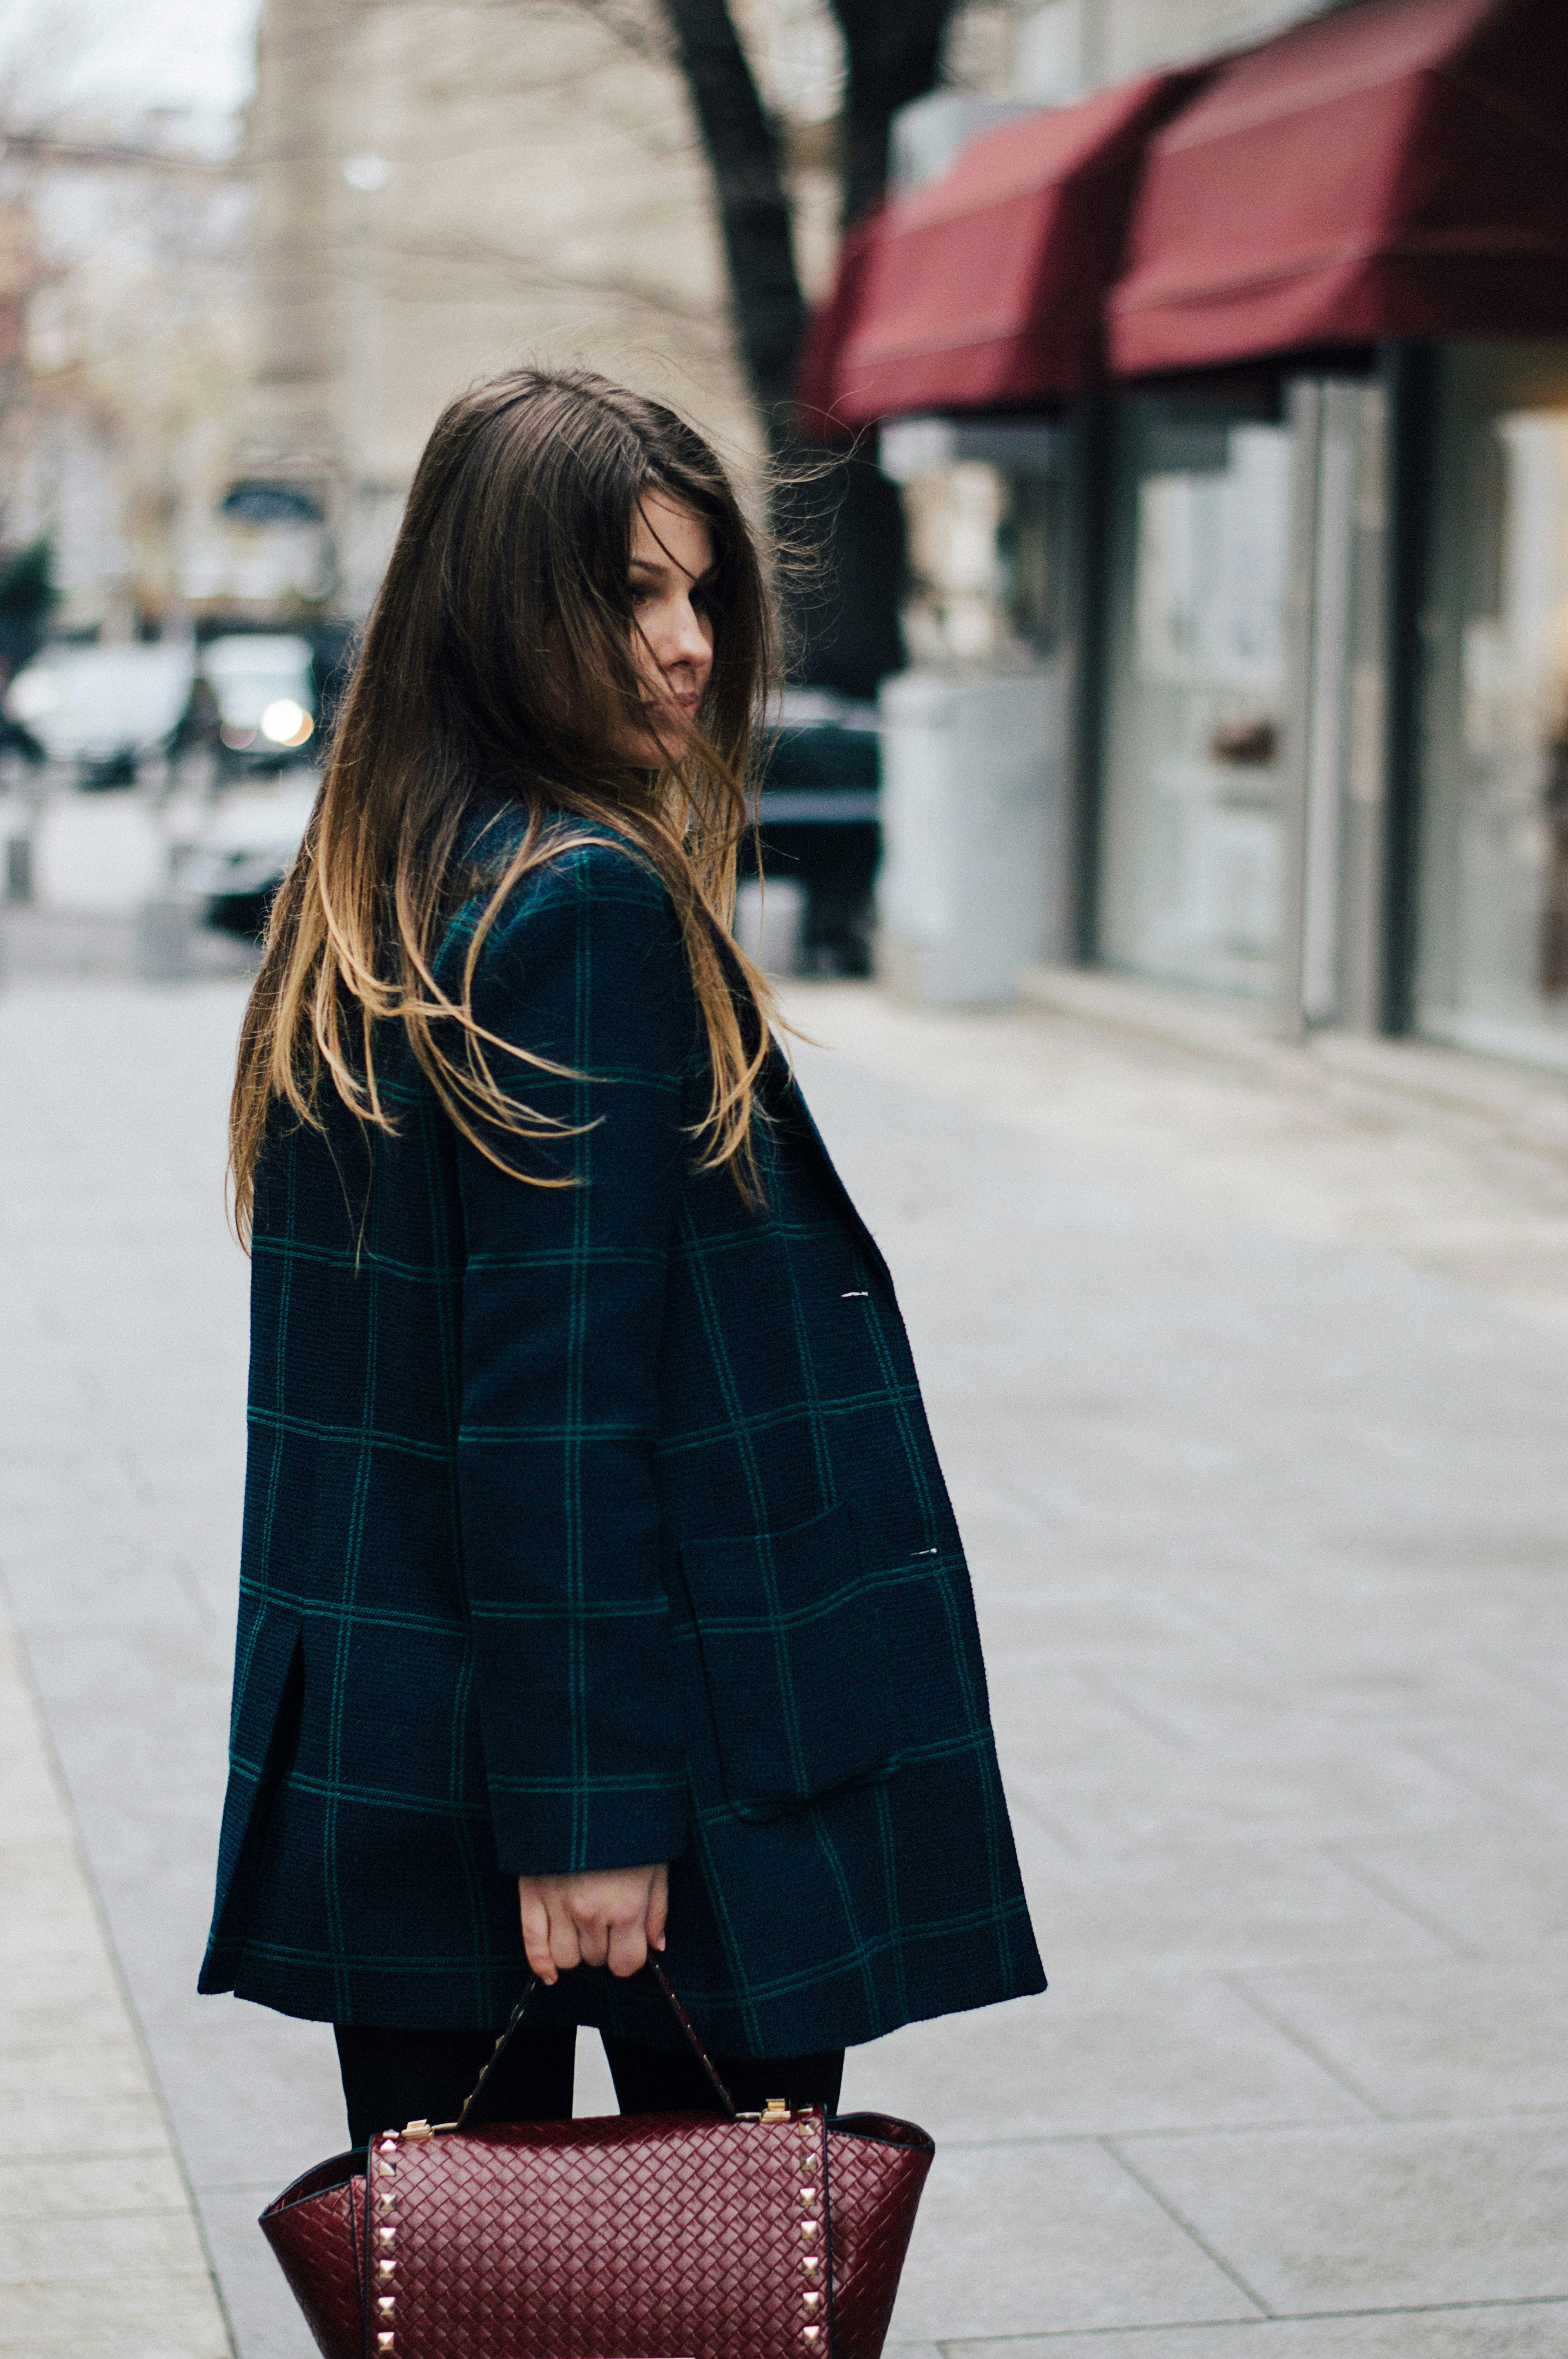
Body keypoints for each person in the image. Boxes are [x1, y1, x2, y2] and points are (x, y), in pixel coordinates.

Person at [199, 367, 1044, 2146]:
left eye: (700, 592)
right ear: (502, 612)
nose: (684, 645)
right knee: (719, 2292)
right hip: (643, 1752)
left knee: (465, 2294)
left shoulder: (388, 881)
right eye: (629, 595)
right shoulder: (574, 903)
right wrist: (587, 1811)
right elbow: (551, 1397)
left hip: (413, 1727)